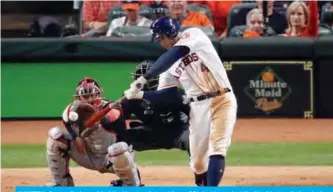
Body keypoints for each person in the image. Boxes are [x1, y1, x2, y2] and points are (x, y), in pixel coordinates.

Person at [123, 17, 237, 186]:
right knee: (198, 163)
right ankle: (202, 183)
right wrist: (140, 96)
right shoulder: (167, 67)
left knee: (217, 148)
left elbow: (176, 53)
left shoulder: (193, 35)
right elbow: (166, 96)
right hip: (198, 107)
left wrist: (145, 78)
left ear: (171, 32)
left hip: (222, 99)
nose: (160, 42)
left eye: (161, 37)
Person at [100, 60, 206, 186]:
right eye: (139, 77)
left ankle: (203, 180)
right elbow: (119, 121)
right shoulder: (131, 97)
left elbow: (194, 114)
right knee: (121, 143)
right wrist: (108, 117)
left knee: (194, 140)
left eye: (145, 78)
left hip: (178, 132)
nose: (143, 81)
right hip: (150, 134)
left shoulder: (173, 92)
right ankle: (129, 182)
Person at [46, 77, 143, 186]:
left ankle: (133, 186)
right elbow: (66, 119)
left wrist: (98, 117)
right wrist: (76, 137)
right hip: (88, 156)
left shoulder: (109, 106)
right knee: (56, 136)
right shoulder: (74, 110)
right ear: (78, 97)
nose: (90, 99)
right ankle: (61, 184)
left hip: (113, 159)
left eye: (93, 95)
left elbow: (114, 115)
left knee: (119, 148)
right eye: (85, 96)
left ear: (98, 95)